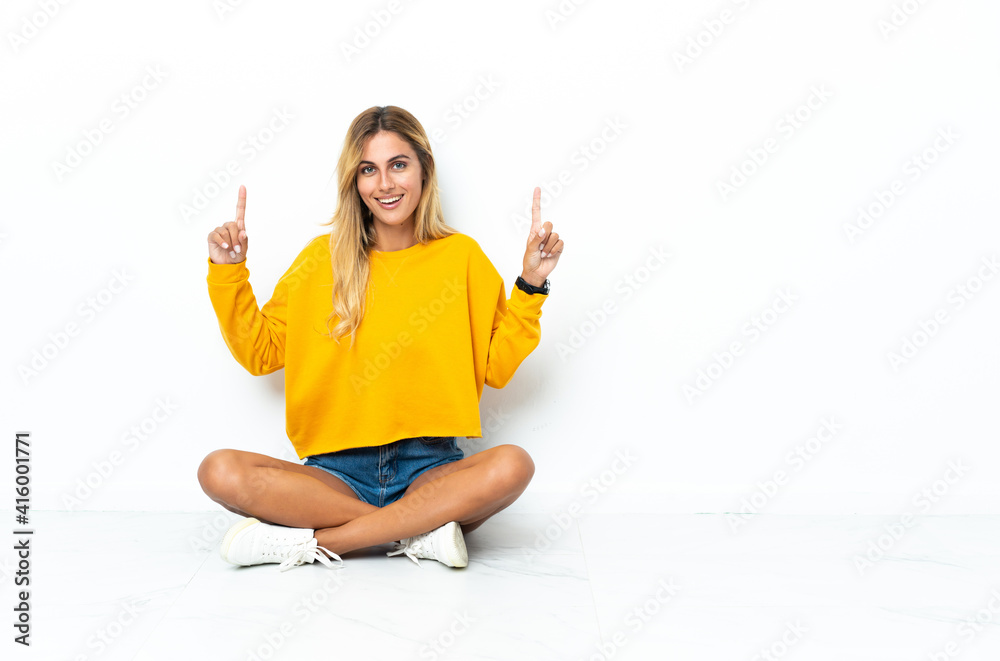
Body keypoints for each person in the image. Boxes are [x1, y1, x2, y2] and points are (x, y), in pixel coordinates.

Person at [197, 105, 564, 571]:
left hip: (429, 470)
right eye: (368, 169)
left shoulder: (462, 257)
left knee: (514, 465)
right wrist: (228, 273)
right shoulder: (320, 259)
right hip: (334, 476)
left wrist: (531, 285)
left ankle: (322, 543)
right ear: (355, 181)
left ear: (424, 170)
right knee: (218, 470)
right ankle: (419, 531)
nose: (385, 184)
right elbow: (259, 353)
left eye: (399, 165)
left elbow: (495, 368)